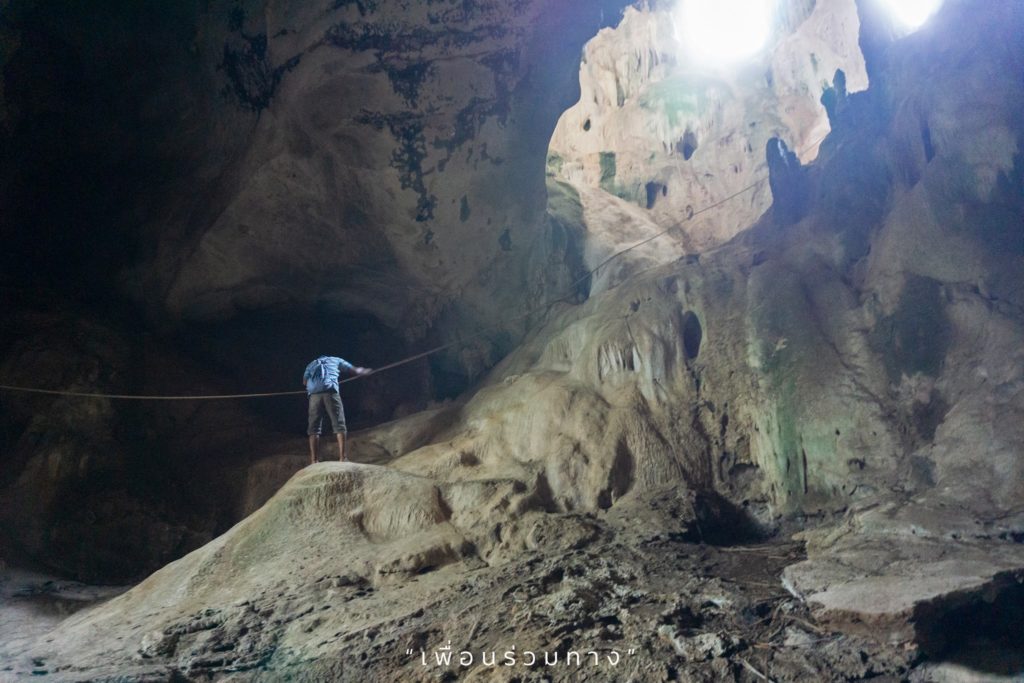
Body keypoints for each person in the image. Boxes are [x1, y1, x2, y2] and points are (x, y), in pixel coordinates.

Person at [303, 356, 371, 464]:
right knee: (339, 424)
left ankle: (314, 460)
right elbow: (354, 369)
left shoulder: (311, 364)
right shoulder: (335, 360)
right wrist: (363, 371)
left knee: (314, 428)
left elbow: (305, 382)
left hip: (314, 396)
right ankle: (343, 458)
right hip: (330, 392)